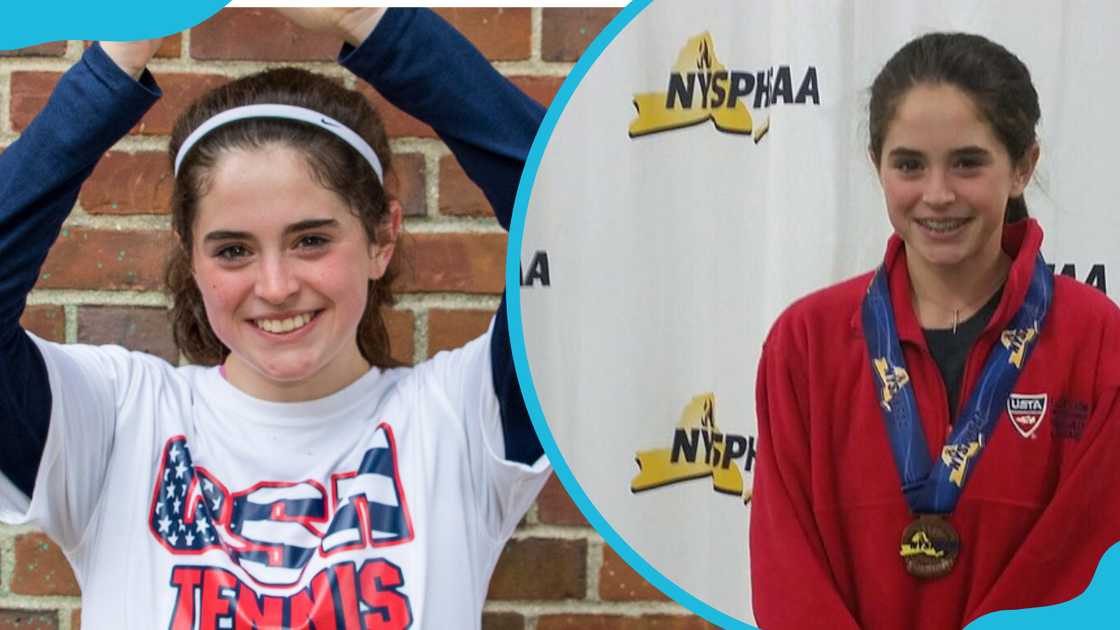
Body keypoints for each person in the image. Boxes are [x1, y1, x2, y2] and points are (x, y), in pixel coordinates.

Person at [0, 8, 548, 629]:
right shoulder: (119, 421)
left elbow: (571, 215)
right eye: (232, 250)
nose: (277, 286)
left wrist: (369, 18)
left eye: (311, 240)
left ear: (381, 238)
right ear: (191, 255)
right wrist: (114, 64)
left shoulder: (465, 421)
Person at [750, 32, 1120, 629]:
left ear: (1023, 166)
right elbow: (788, 579)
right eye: (909, 165)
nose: (938, 195)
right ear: (878, 167)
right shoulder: (804, 344)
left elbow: (1092, 572)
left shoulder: (1101, 344)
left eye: (968, 163)